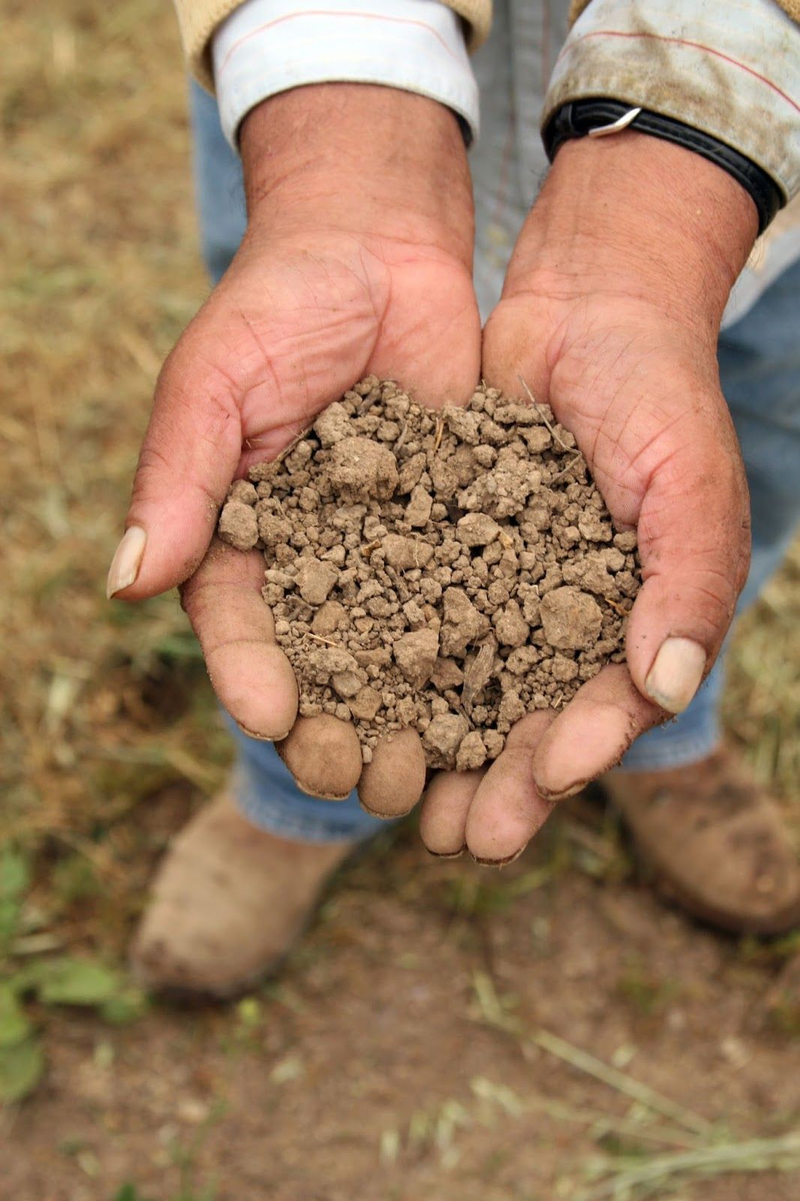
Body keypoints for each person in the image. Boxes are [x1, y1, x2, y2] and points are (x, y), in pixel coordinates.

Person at [106, 0, 800, 995]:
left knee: (733, 464)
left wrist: (674, 170)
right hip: (318, 82)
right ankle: (296, 799)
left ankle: (671, 729)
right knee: (286, 380)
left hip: (758, 130)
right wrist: (340, 138)